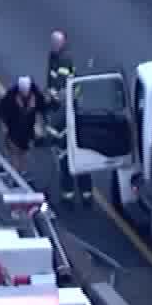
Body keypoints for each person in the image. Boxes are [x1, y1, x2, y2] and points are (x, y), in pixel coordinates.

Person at [43, 31, 93, 206]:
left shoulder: (63, 60)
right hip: (64, 110)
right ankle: (79, 196)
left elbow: (60, 83)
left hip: (65, 113)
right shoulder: (55, 57)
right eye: (52, 43)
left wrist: (53, 96)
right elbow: (53, 81)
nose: (53, 46)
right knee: (76, 163)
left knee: (70, 164)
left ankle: (78, 197)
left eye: (56, 43)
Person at [0, 75, 43, 177]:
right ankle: (15, 173)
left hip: (27, 128)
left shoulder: (36, 94)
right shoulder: (11, 96)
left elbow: (41, 109)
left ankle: (22, 171)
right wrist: (2, 125)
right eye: (23, 92)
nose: (25, 94)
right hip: (13, 127)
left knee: (23, 151)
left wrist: (38, 126)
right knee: (14, 151)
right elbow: (1, 111)